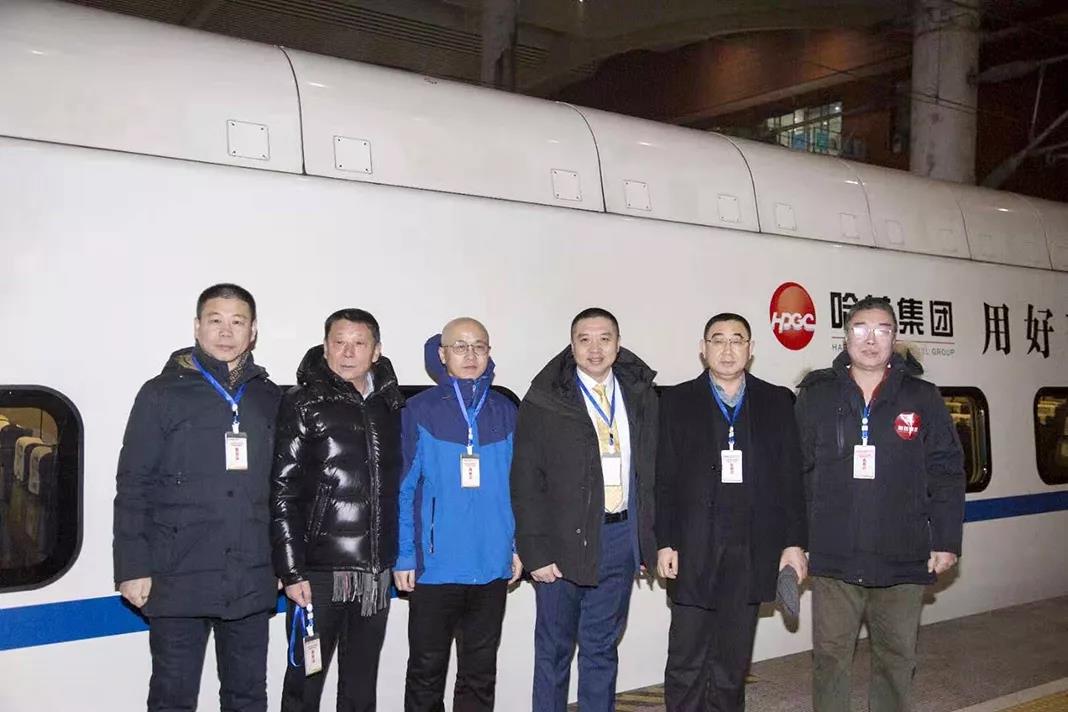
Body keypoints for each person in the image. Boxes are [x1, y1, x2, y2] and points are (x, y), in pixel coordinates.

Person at [113, 283, 281, 712]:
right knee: (173, 696)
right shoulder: (160, 393)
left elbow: (284, 490)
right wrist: (133, 567)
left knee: (248, 696)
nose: (226, 331)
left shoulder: (269, 397)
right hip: (176, 573)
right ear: (197, 326)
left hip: (251, 572)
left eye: (237, 322)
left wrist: (284, 564)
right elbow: (133, 484)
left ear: (253, 331)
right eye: (215, 320)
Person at [796, 297, 965, 712]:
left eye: (882, 330)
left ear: (894, 338)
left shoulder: (922, 397)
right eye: (860, 329)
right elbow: (796, 471)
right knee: (830, 659)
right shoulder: (817, 395)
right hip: (834, 555)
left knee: (896, 659)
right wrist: (795, 541)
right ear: (845, 337)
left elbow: (946, 471)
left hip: (902, 555)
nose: (870, 339)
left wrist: (945, 539)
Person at [656, 312, 807, 712]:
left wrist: (793, 543)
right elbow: (664, 478)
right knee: (686, 658)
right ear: (703, 349)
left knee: (732, 662)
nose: (727, 349)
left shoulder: (777, 401)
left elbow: (791, 478)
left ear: (750, 349)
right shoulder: (676, 401)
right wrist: (665, 541)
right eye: (717, 340)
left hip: (752, 549)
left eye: (737, 340)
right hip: (693, 547)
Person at [511, 307, 658, 712]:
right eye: (585, 339)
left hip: (619, 539)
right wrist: (535, 552)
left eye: (604, 339)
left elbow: (650, 472)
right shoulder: (544, 399)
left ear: (618, 344)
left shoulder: (639, 394)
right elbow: (525, 480)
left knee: (601, 648)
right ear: (571, 345)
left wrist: (645, 540)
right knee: (554, 651)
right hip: (560, 543)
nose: (595, 349)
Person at [270, 308, 405, 712]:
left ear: (376, 351)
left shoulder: (390, 404)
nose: (348, 352)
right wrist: (291, 571)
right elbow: (282, 491)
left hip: (374, 571)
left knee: (361, 685)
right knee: (305, 682)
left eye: (359, 343)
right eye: (339, 343)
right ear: (325, 347)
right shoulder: (302, 402)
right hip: (319, 573)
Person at [394, 318, 522, 712]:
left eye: (479, 346)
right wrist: (405, 554)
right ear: (442, 354)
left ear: (489, 352)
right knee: (426, 671)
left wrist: (516, 546)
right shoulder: (419, 410)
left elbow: (520, 488)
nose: (470, 355)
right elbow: (403, 489)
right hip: (435, 568)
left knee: (480, 674)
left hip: (492, 566)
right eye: (460, 346)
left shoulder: (506, 410)